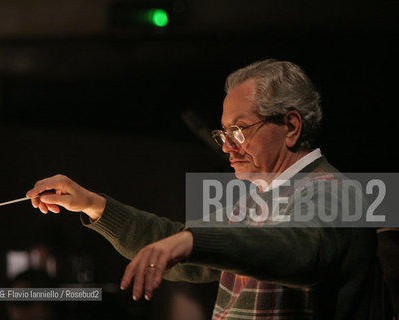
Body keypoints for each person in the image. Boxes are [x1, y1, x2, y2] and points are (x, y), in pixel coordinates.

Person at [26, 59, 377, 319]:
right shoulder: (260, 200)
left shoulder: (334, 191)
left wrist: (193, 241)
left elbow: (297, 251)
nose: (228, 146)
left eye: (239, 130)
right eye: (224, 134)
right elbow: (178, 247)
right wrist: (94, 205)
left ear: (290, 126)